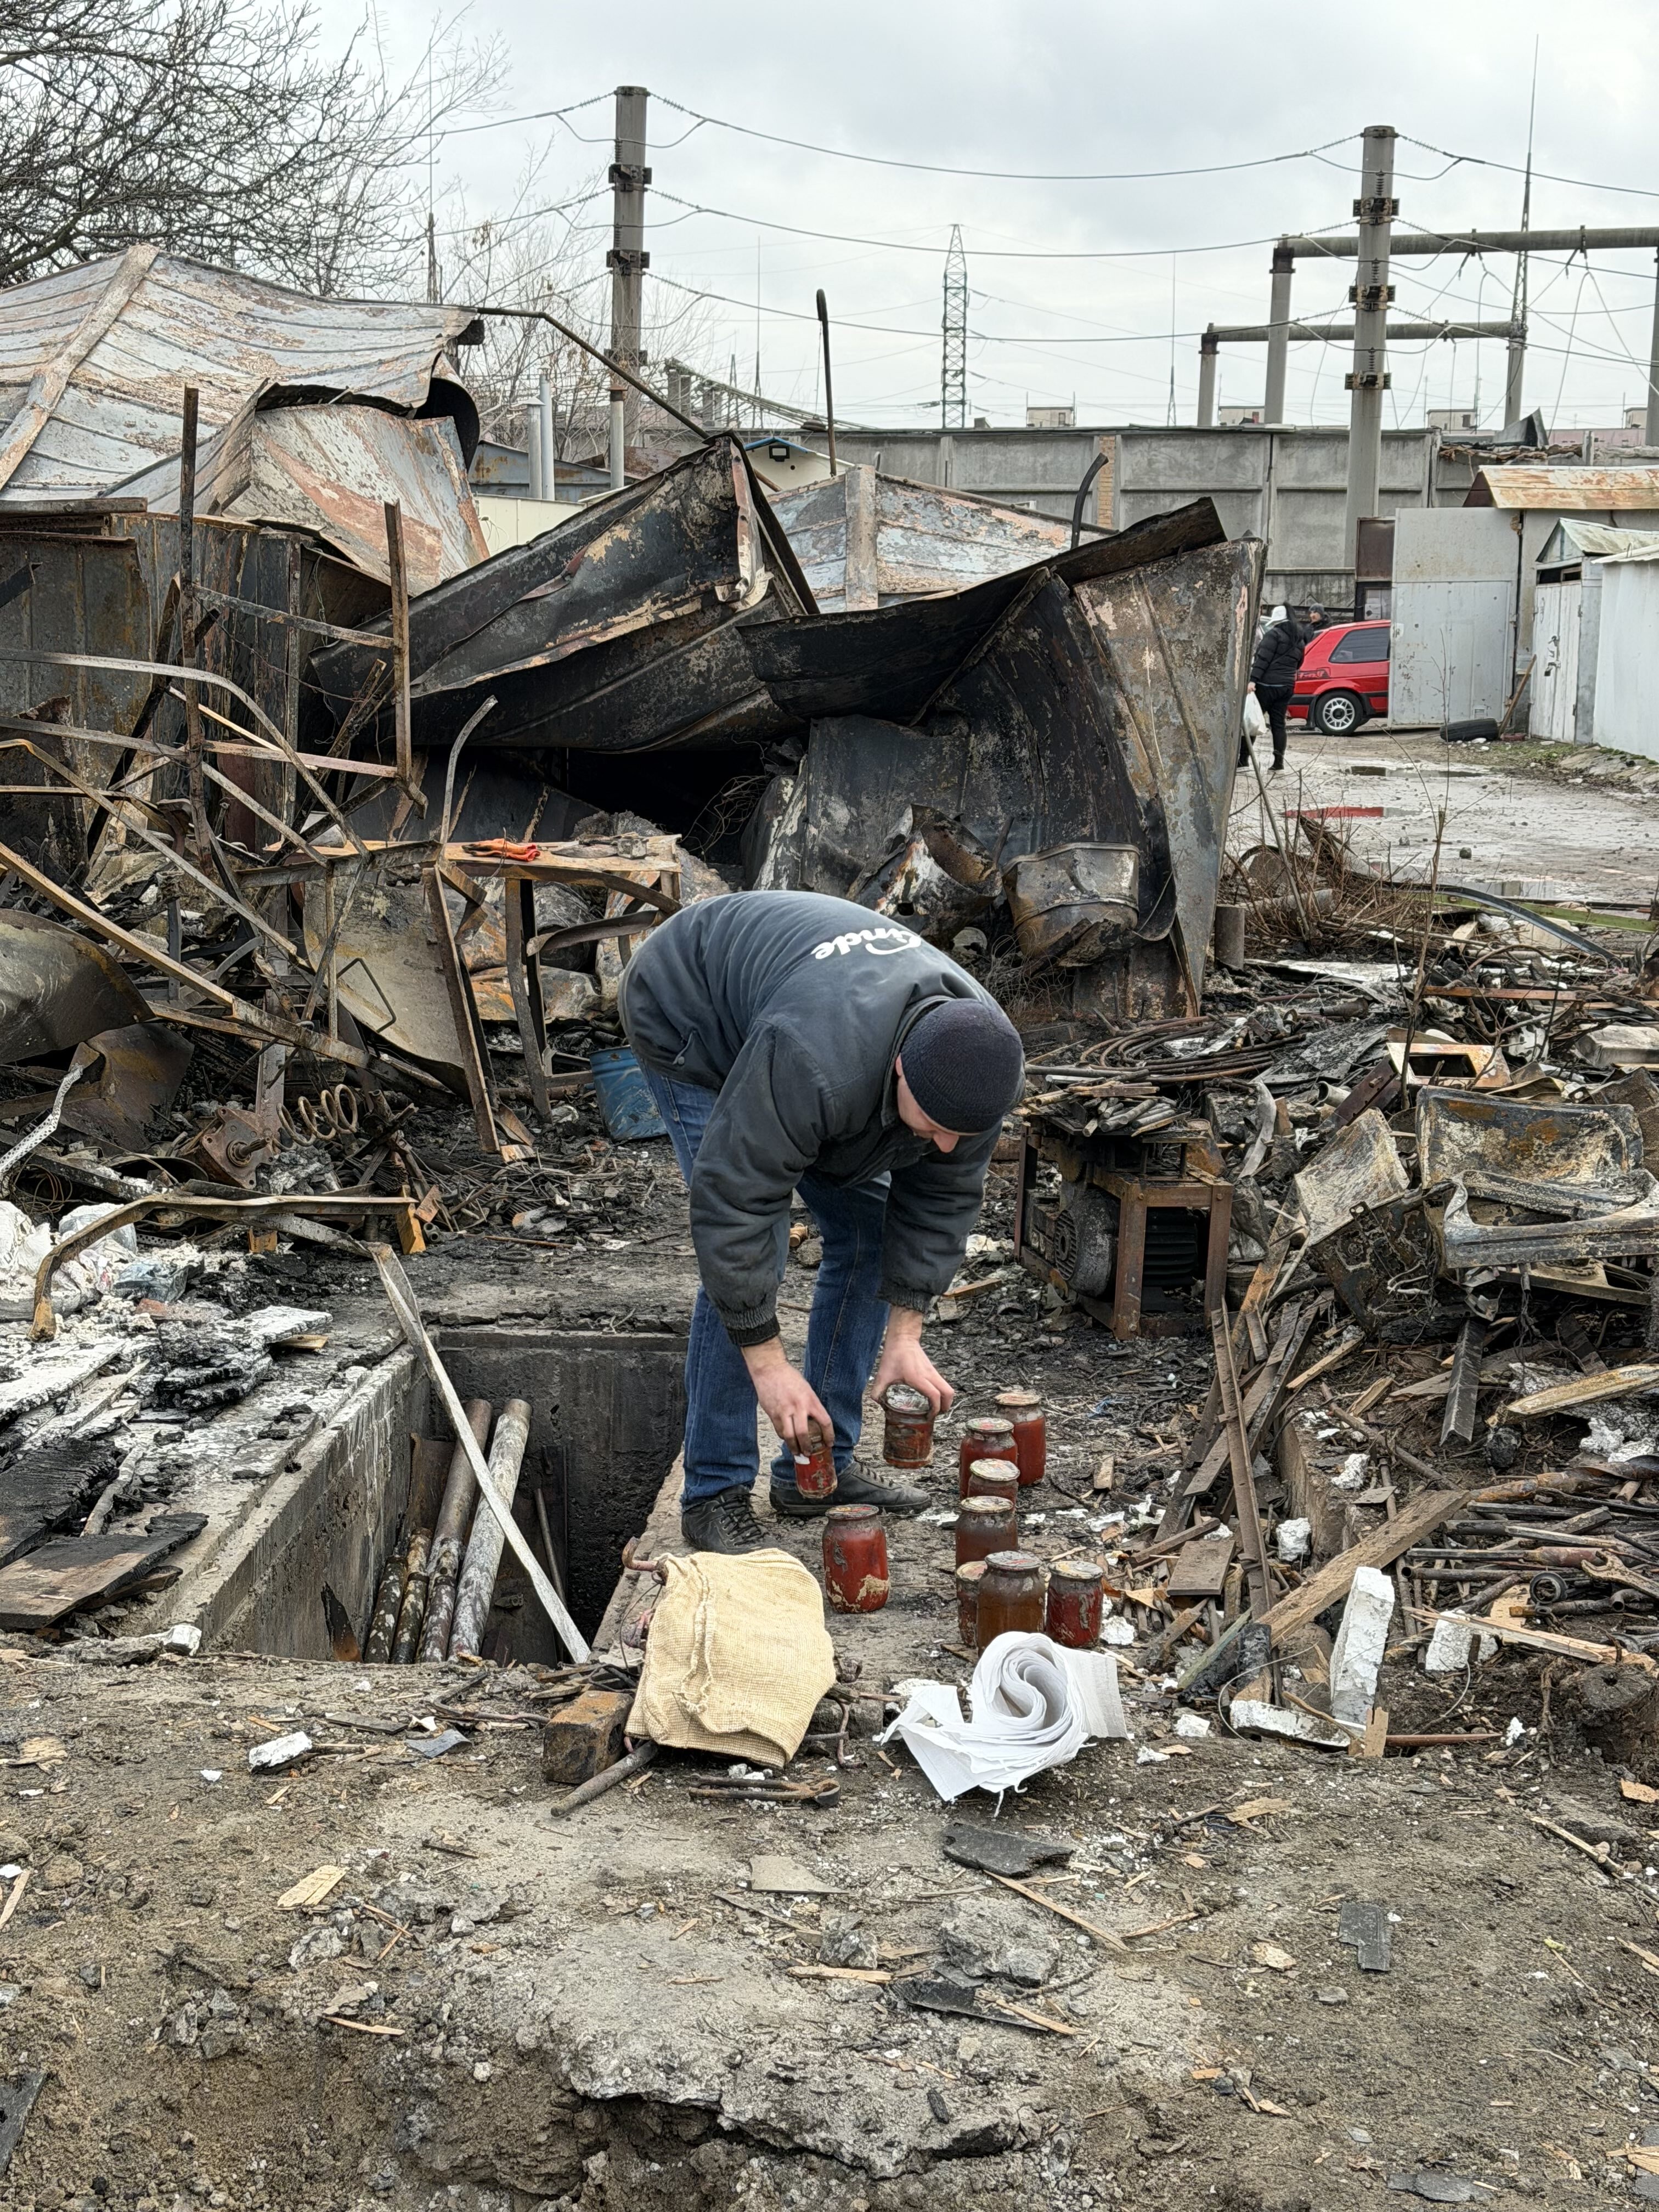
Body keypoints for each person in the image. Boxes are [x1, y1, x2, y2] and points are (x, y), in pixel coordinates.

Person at [619, 890, 1026, 1555]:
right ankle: (714, 1492)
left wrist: (907, 1331)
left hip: (804, 1013)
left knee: (867, 1230)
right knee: (751, 1259)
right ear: (899, 1069)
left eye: (963, 1133)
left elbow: (943, 1198)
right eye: (934, 1128)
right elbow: (736, 1207)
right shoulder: (812, 1059)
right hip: (690, 1011)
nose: (948, 1146)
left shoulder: (977, 1063)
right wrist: (770, 1366)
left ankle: (814, 1471)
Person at [1244, 603, 1321, 774]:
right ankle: (1278, 763)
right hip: (1287, 686)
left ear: (1277, 621)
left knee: (1252, 720)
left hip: (1267, 685)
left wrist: (1253, 680)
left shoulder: (1273, 635)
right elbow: (1299, 663)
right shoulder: (1298, 639)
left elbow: (1262, 659)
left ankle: (1243, 761)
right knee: (1279, 725)